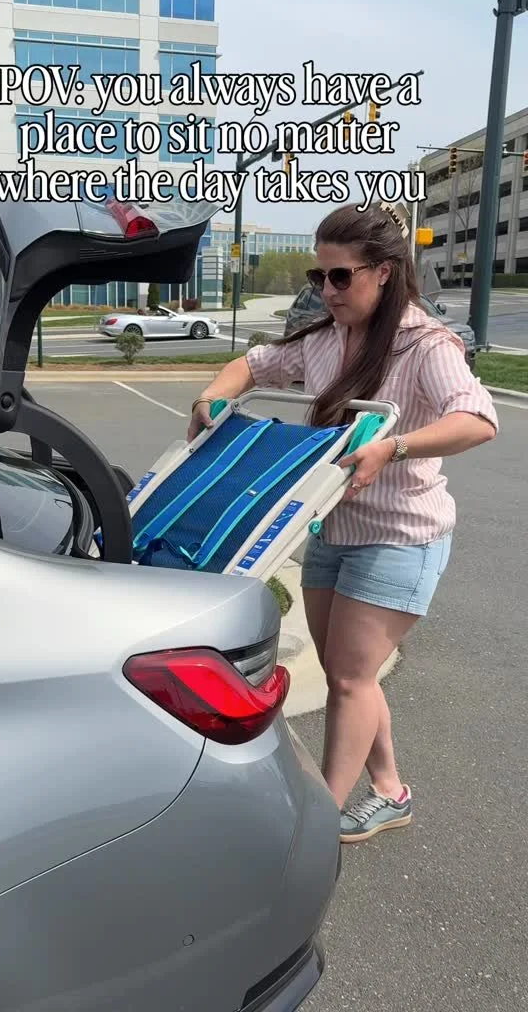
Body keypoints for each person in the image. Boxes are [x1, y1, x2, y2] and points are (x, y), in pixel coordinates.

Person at [186, 202, 499, 843]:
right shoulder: (326, 338)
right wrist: (212, 396)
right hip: (332, 529)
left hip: (400, 536)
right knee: (345, 673)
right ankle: (390, 790)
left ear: (383, 272)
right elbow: (254, 365)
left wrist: (395, 446)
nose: (326, 291)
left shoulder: (424, 344)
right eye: (317, 275)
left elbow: (477, 419)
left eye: (340, 276)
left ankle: (318, 822)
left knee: (352, 678)